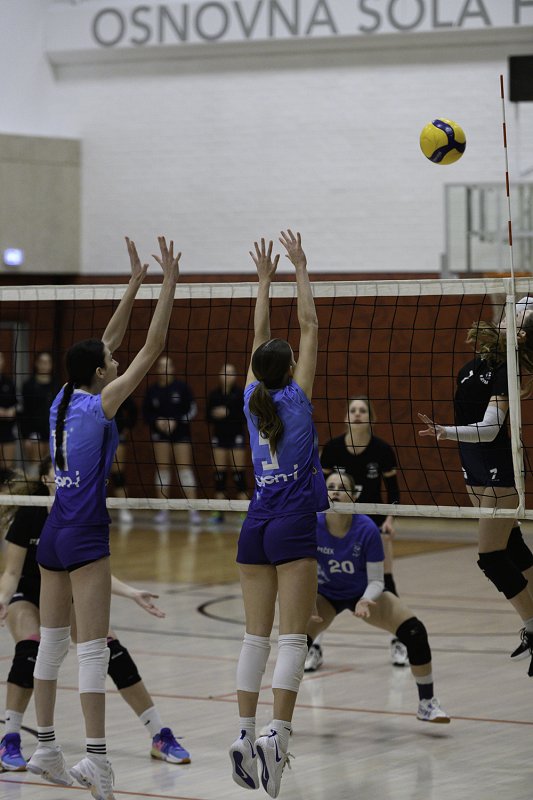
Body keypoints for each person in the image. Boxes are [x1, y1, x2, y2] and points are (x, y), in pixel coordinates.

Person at [26, 235, 180, 800]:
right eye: (109, 365)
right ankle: (96, 761)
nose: (115, 361)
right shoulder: (100, 404)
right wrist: (168, 284)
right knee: (92, 650)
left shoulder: (62, 399)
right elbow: (151, 346)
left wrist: (133, 283)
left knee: (51, 646)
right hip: (85, 534)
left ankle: (46, 747)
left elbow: (108, 342)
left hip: (52, 535)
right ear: (99, 374)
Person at [0, 457, 190, 772]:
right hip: (29, 594)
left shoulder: (83, 513)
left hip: (68, 592)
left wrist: (131, 593)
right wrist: (2, 599)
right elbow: (10, 572)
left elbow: (93, 571)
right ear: (46, 480)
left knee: (111, 649)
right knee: (30, 648)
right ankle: (10, 738)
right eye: (57, 472)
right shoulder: (29, 513)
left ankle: (159, 734)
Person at [228, 231, 329, 799]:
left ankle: (244, 735)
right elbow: (309, 325)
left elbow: (258, 339)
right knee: (293, 639)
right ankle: (277, 738)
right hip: (292, 526)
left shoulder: (252, 398)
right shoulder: (297, 398)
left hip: (255, 526)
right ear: (291, 367)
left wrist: (263, 281)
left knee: (255, 638)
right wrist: (300, 268)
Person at [418, 297, 533, 676]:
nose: (507, 314)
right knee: (511, 546)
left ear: (521, 333)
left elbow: (490, 428)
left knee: (491, 556)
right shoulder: (475, 367)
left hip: (499, 468)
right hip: (474, 467)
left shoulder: (511, 370)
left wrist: (444, 432)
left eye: (517, 314)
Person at [307, 470, 450, 723]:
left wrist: (365, 599)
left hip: (362, 593)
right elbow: (300, 571)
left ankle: (427, 704)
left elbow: (376, 579)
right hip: (325, 595)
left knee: (415, 632)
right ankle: (279, 723)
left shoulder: (366, 529)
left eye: (342, 488)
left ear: (354, 496)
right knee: (294, 644)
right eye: (330, 487)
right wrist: (307, 602)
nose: (335, 492)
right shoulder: (311, 525)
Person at [315, 396, 407, 668]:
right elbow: (319, 487)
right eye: (353, 410)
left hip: (372, 524)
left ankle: (399, 641)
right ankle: (313, 646)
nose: (357, 414)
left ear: (371, 417)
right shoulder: (333, 449)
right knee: (321, 584)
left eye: (362, 410)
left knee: (385, 580)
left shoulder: (382, 450)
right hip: (334, 523)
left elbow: (393, 491)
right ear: (346, 417)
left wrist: (389, 520)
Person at [142, 355, 200, 526]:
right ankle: (163, 509)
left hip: (181, 433)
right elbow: (146, 413)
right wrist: (157, 421)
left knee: (185, 470)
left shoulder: (182, 388)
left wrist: (177, 421)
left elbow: (192, 409)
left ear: (173, 368)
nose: (164, 369)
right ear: (157, 369)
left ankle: (193, 510)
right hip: (160, 435)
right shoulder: (152, 390)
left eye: (167, 365)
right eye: (161, 366)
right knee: (163, 471)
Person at [206, 363, 247, 524]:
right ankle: (218, 513)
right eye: (224, 372)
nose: (227, 376)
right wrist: (214, 414)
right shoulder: (214, 395)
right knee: (219, 477)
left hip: (236, 437)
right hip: (219, 437)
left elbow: (245, 416)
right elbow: (207, 416)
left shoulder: (240, 394)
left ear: (235, 376)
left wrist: (228, 413)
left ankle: (244, 513)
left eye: (230, 373)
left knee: (239, 476)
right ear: (220, 375)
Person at [19, 351, 59, 476]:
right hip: (34, 431)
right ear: (36, 364)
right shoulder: (29, 385)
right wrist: (26, 436)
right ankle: (34, 487)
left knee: (50, 464)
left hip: (52, 431)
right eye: (42, 362)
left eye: (47, 362)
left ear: (51, 365)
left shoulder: (56, 385)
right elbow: (24, 412)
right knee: (35, 464)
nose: (44, 365)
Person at [109, 396, 138, 525]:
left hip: (116, 433)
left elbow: (133, 409)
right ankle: (94, 508)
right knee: (95, 474)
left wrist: (126, 426)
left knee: (118, 474)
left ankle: (123, 509)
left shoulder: (116, 388)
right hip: (95, 434)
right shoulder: (91, 390)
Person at [0, 352, 17, 470]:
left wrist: (12, 410)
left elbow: (17, 403)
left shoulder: (8, 382)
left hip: (7, 430)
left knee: (7, 468)